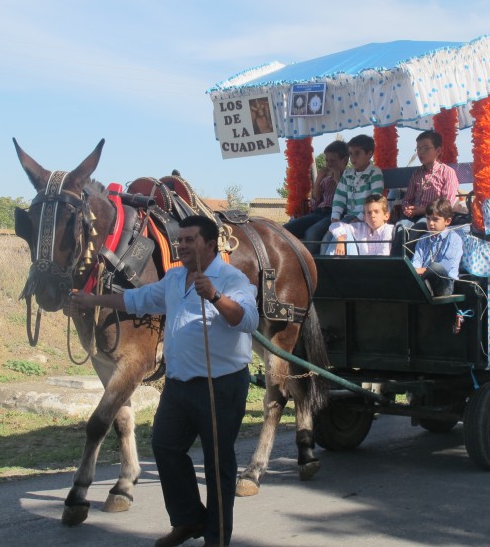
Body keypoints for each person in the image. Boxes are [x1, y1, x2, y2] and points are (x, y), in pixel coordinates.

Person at [70, 215, 259, 547]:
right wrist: (92, 300)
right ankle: (188, 520)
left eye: (189, 240)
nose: (181, 246)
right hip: (179, 386)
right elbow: (134, 300)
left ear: (210, 245)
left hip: (221, 387)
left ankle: (216, 539)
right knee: (164, 446)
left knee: (218, 464)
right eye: (179, 240)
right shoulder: (174, 280)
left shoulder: (232, 279)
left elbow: (247, 321)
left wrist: (215, 296)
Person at [283, 140, 349, 254]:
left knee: (312, 232)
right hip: (318, 213)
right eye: (327, 160)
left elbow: (347, 199)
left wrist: (338, 180)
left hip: (336, 215)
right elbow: (314, 204)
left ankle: (311, 265)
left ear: (345, 160)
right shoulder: (326, 180)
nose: (329, 164)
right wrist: (318, 180)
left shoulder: (350, 177)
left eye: (333, 161)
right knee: (286, 229)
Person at [401, 129, 459, 224]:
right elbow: (407, 199)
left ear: (438, 150)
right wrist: (408, 208)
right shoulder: (417, 173)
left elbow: (446, 204)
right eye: (418, 149)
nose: (421, 152)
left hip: (433, 218)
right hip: (413, 216)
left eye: (425, 148)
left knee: (419, 226)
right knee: (400, 227)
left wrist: (423, 210)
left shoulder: (447, 172)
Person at [411, 197, 463, 297]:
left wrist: (423, 270)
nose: (430, 223)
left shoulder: (454, 239)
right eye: (428, 218)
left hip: (445, 283)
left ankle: (425, 289)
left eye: (435, 220)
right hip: (424, 278)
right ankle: (424, 289)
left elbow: (444, 269)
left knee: (435, 267)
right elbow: (415, 264)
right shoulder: (422, 239)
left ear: (447, 221)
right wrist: (416, 270)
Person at [324, 193, 394, 256]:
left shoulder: (388, 229)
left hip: (379, 267)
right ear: (365, 218)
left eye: (376, 212)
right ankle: (327, 265)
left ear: (386, 216)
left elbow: (384, 255)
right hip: (359, 266)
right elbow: (335, 225)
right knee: (341, 234)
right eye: (369, 213)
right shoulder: (362, 228)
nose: (372, 215)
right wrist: (341, 239)